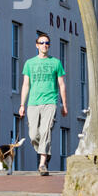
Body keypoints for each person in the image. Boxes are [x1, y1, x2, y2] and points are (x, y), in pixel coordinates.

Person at [19, 33, 68, 176]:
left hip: (50, 102)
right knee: (33, 134)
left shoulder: (56, 63)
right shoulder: (29, 63)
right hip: (33, 103)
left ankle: (42, 163)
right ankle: (45, 151)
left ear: (49, 45)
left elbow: (61, 85)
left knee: (46, 130)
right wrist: (22, 105)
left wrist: (64, 105)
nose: (44, 45)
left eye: (47, 43)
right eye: (41, 43)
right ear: (37, 45)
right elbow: (26, 85)